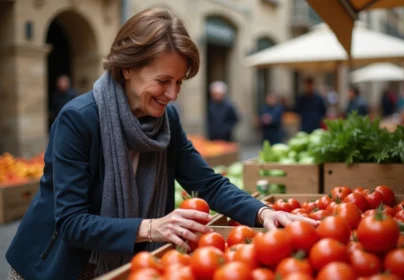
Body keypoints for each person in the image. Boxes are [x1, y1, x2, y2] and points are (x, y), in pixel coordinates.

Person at [5, 7, 317, 280]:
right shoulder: (79, 119)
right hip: (56, 268)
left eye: (179, 82)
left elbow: (208, 184)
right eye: (163, 80)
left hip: (127, 264)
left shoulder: (167, 121)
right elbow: (71, 222)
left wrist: (263, 213)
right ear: (128, 68)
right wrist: (152, 228)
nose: (173, 94)